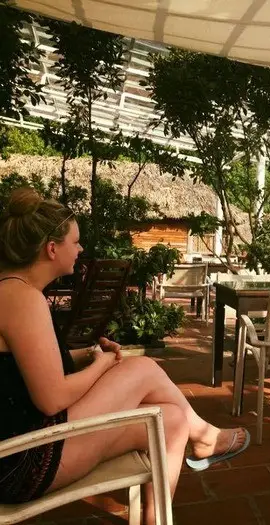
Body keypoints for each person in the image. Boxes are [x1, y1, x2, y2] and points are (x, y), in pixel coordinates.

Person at [0, 189, 249, 524]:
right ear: (52, 249)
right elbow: (51, 398)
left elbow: (20, 366)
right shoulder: (22, 299)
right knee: (142, 368)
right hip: (23, 461)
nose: (81, 249)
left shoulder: (12, 290)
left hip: (25, 447)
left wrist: (85, 356)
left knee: (172, 422)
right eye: (76, 242)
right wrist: (101, 365)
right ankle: (205, 436)